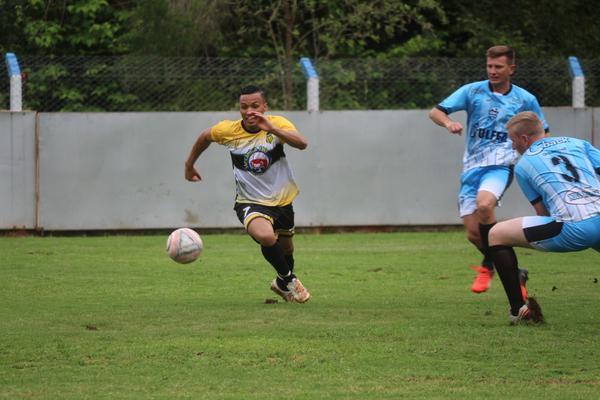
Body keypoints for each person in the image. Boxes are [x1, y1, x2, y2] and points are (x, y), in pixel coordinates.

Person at [429, 45, 549, 295]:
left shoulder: (525, 99)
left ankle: (487, 266)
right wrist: (448, 122)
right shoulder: (473, 91)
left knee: (485, 205)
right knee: (474, 235)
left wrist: (538, 156)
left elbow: (543, 131)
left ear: (511, 69)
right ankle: (515, 273)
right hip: (472, 167)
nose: (492, 71)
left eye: (498, 67)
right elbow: (436, 111)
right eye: (489, 66)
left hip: (500, 165)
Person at [184, 85, 311, 303]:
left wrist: (272, 128)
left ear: (264, 106)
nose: (250, 111)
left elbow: (302, 144)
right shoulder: (229, 130)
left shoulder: (277, 123)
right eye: (244, 107)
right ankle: (289, 280)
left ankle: (281, 283)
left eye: (255, 106)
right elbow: (205, 137)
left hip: (282, 201)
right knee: (266, 236)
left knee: (286, 248)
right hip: (249, 201)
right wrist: (189, 165)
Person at [488, 111, 600, 324]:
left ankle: (518, 310)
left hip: (575, 227)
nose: (512, 147)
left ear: (524, 139)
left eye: (512, 141)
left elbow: (543, 214)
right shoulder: (579, 144)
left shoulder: (523, 165)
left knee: (496, 234)